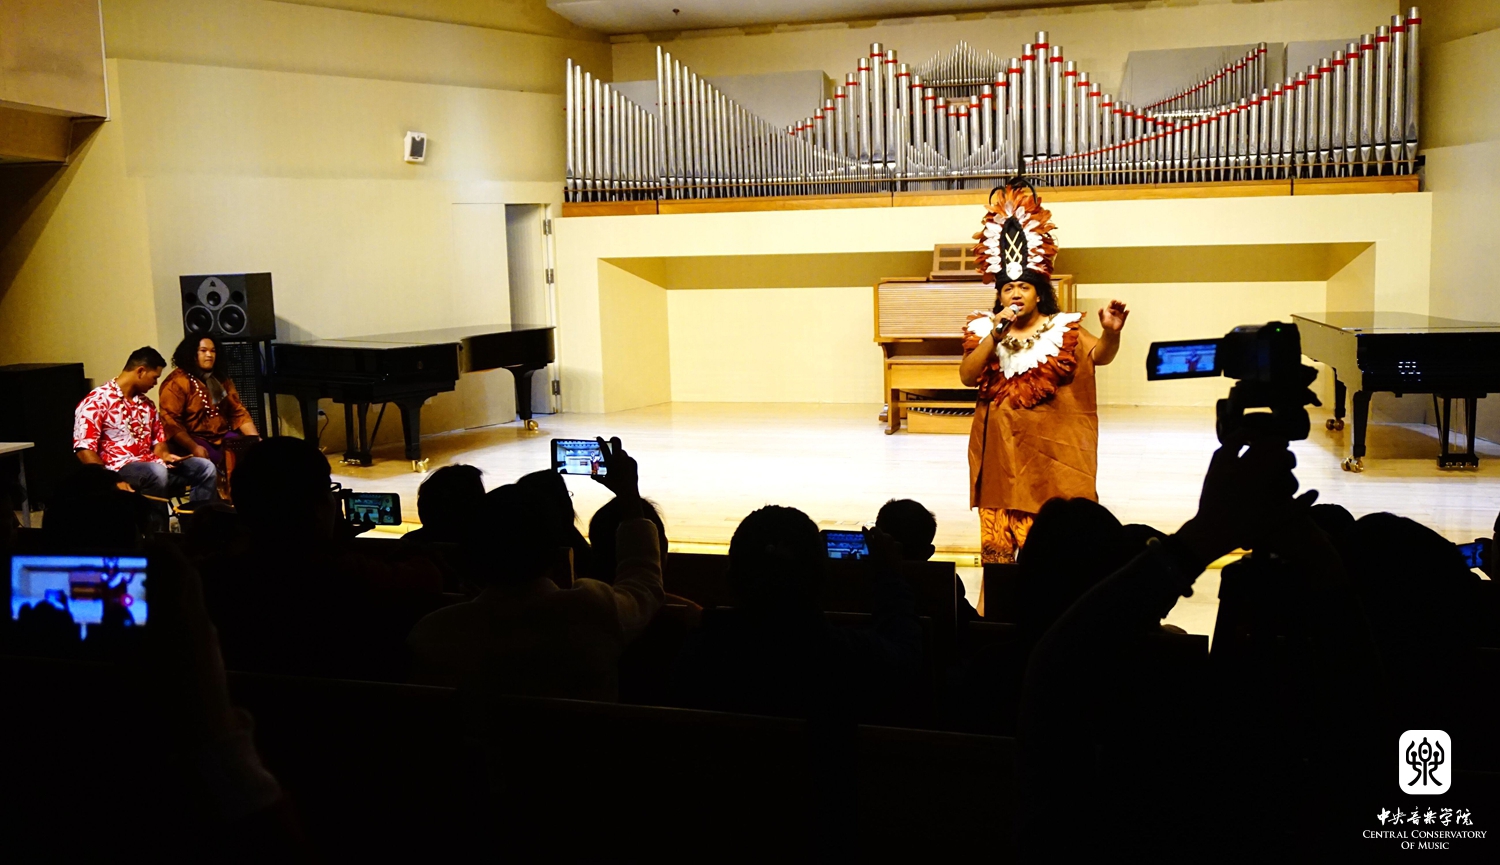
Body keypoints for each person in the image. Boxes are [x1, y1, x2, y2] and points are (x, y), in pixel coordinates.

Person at [406, 438, 662, 701]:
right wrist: (629, 497)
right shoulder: (595, 610)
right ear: (556, 552)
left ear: (472, 554)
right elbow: (643, 582)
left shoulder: (432, 633)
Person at [960, 178, 1129, 563]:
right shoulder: (986, 329)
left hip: (1048, 464)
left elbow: (1099, 357)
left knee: (1049, 558)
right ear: (999, 295)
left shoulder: (1062, 330)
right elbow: (967, 376)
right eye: (1008, 289)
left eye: (1024, 287)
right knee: (998, 557)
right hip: (1001, 462)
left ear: (1039, 293)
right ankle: (1001, 602)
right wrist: (995, 335)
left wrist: (1111, 332)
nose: (1015, 294)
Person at [203, 436, 441, 678]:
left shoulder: (213, 576)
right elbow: (427, 578)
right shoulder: (343, 573)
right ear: (317, 507)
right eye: (328, 491)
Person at [673, 506, 922, 722]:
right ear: (822, 579)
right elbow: (905, 660)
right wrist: (890, 578)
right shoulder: (850, 658)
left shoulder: (695, 654)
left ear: (730, 578)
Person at [73, 346, 217, 507]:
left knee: (205, 467)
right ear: (141, 371)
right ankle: (154, 523)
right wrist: (110, 481)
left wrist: (166, 456)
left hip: (153, 466)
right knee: (156, 472)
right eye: (154, 377)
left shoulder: (147, 404)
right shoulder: (96, 401)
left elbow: (159, 442)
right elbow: (84, 450)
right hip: (118, 470)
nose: (156, 383)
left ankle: (197, 519)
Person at [158, 335, 259, 497]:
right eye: (203, 351)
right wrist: (194, 447)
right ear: (192, 354)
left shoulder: (220, 379)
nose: (209, 355)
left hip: (222, 436)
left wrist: (255, 440)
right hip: (192, 440)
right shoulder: (177, 382)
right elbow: (171, 422)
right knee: (217, 459)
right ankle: (209, 508)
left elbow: (238, 412)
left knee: (252, 454)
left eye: (213, 351)